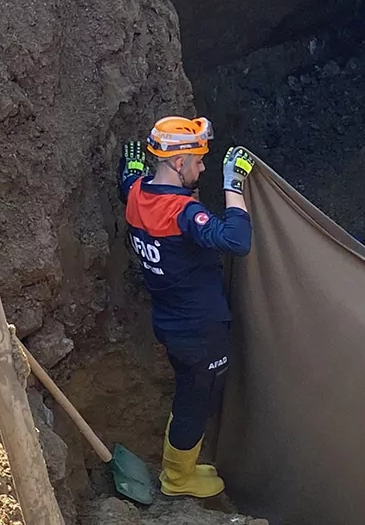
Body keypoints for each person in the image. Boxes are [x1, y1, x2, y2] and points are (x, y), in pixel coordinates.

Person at [118, 116, 255, 498]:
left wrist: (130, 169)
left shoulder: (137, 194)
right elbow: (236, 240)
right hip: (200, 331)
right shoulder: (182, 214)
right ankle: (178, 479)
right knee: (195, 401)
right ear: (179, 164)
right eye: (199, 160)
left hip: (169, 321)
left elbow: (126, 182)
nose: (204, 167)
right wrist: (233, 184)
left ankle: (182, 467)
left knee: (187, 392)